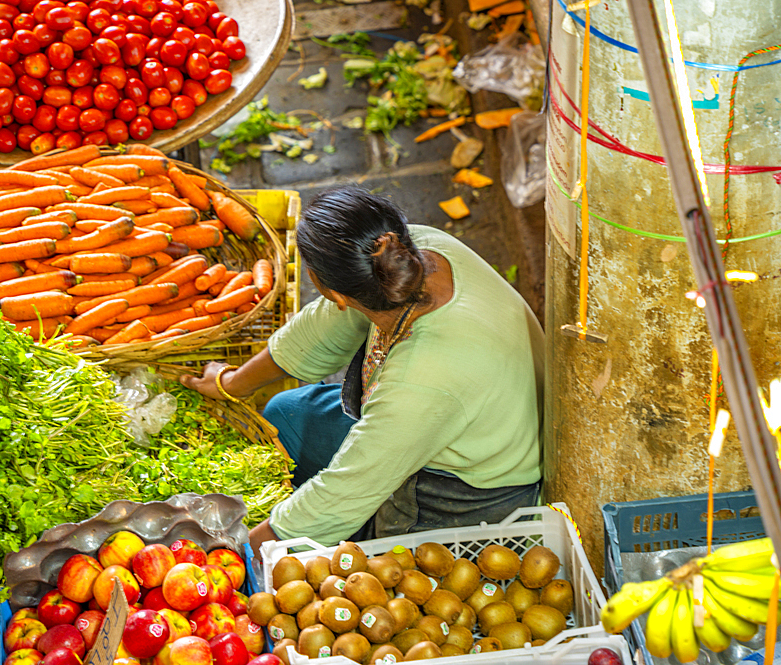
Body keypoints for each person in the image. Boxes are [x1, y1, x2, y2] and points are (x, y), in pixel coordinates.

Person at [181, 186, 543, 555]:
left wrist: (231, 554)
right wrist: (230, 385)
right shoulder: (405, 255)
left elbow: (344, 494)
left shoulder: (422, 379)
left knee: (377, 561)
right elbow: (318, 331)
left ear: (334, 291)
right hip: (438, 418)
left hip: (471, 489)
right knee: (285, 414)